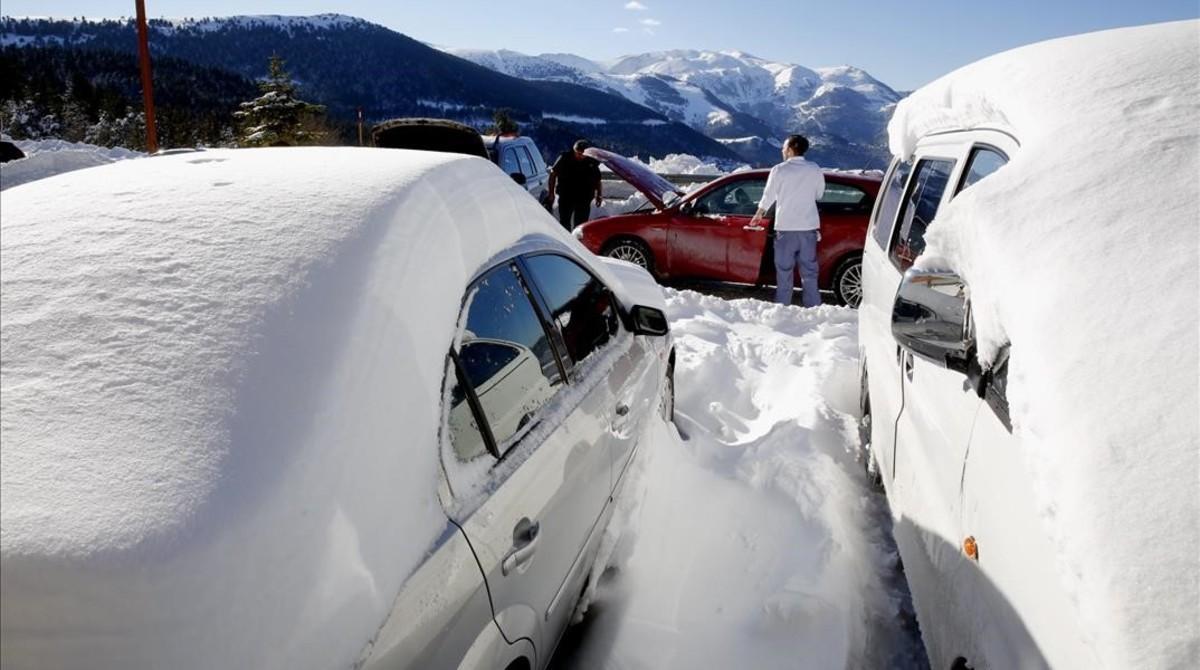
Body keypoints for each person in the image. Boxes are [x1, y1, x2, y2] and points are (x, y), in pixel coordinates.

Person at [749, 134, 825, 307]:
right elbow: (819, 194)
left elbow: (768, 196)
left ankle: (783, 307)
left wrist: (759, 214)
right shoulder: (815, 169)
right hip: (808, 228)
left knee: (784, 271)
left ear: (790, 150)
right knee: (810, 272)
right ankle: (813, 307)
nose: (782, 150)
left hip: (786, 228)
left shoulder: (779, 170)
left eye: (784, 148)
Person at [547, 140, 603, 231]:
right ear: (574, 151)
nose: (581, 156)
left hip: (584, 197)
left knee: (581, 225)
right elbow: (553, 174)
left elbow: (597, 180)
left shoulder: (591, 161)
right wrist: (551, 193)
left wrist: (599, 194)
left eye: (583, 154)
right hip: (566, 196)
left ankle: (577, 243)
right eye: (578, 153)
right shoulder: (564, 158)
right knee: (564, 223)